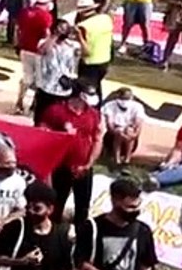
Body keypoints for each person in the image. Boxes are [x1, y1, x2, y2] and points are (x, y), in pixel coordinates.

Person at [73, 177, 157, 270]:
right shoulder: (92, 228)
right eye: (130, 207)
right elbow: (81, 262)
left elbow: (147, 262)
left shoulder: (143, 230)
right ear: (115, 201)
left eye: (137, 206)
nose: (135, 211)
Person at [39, 82, 104, 224]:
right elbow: (43, 134)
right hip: (61, 166)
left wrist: (88, 164)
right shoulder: (56, 111)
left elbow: (97, 139)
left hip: (83, 167)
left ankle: (81, 233)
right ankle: (54, 232)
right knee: (57, 202)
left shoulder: (93, 114)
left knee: (82, 205)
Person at [15, 0, 54, 114]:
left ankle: (19, 102)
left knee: (26, 77)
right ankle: (34, 104)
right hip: (39, 51)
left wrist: (17, 44)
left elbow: (18, 29)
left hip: (24, 48)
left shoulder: (25, 12)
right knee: (40, 80)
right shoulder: (46, 16)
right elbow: (46, 34)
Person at [35, 19, 79, 124]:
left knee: (59, 117)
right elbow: (43, 51)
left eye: (65, 29)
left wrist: (79, 35)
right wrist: (54, 36)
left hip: (63, 87)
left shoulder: (73, 45)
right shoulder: (44, 42)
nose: (62, 31)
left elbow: (84, 54)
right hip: (47, 85)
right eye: (60, 28)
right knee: (41, 116)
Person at [74, 0, 114, 97]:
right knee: (96, 89)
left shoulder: (83, 26)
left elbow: (85, 50)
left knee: (86, 92)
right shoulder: (106, 18)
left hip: (90, 63)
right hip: (105, 59)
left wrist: (79, 38)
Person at [101, 87, 146, 167]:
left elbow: (138, 125)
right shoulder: (110, 105)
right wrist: (119, 133)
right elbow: (110, 125)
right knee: (119, 131)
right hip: (112, 137)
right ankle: (116, 160)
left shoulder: (138, 107)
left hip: (130, 137)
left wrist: (131, 135)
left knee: (129, 131)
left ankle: (127, 160)